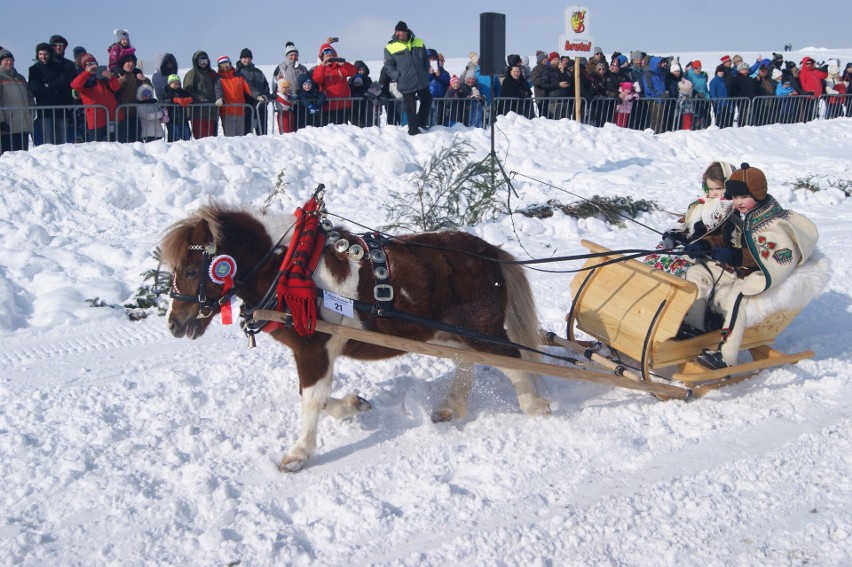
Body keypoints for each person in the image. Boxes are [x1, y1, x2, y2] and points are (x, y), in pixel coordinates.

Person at [682, 164, 819, 369]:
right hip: (734, 270)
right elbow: (723, 237)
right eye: (735, 197)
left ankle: (726, 357)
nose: (738, 202)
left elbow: (771, 256)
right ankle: (695, 329)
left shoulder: (773, 221)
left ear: (758, 193)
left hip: (756, 274)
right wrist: (706, 244)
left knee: (737, 296)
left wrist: (736, 256)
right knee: (696, 271)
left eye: (744, 197)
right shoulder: (737, 214)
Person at [643, 161, 736, 278]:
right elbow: (687, 221)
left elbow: (721, 236)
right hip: (689, 245)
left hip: (707, 253)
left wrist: (703, 244)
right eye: (710, 189)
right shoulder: (703, 204)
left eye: (718, 188)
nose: (713, 193)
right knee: (654, 257)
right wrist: (672, 235)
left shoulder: (729, 208)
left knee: (672, 266)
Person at [383, 21, 432, 135]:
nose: (397, 33)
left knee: (427, 100)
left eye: (400, 31)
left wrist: (425, 71)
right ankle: (413, 130)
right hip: (405, 81)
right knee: (410, 107)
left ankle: (421, 123)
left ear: (406, 31)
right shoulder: (390, 47)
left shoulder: (419, 42)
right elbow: (388, 65)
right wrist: (397, 76)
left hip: (421, 79)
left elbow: (425, 58)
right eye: (396, 31)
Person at [69, 53, 120, 142]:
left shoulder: (102, 77)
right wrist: (87, 73)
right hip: (95, 120)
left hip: (111, 116)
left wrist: (110, 77)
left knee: (114, 145)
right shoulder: (83, 79)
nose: (93, 66)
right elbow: (75, 85)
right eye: (89, 64)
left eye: (94, 63)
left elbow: (116, 87)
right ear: (84, 67)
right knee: (96, 146)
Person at [28, 42, 69, 145]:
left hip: (60, 109)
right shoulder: (34, 69)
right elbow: (34, 87)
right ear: (37, 55)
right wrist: (51, 89)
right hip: (44, 110)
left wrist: (48, 85)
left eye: (45, 54)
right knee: (48, 141)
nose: (43, 57)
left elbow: (63, 82)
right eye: (40, 54)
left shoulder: (59, 67)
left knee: (63, 141)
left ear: (50, 54)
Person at [214, 55, 265, 137]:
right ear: (219, 66)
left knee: (240, 138)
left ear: (230, 63)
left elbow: (249, 88)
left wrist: (258, 95)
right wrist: (219, 98)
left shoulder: (239, 75)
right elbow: (218, 90)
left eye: (227, 63)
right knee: (230, 138)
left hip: (240, 112)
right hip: (227, 112)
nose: (225, 66)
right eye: (222, 65)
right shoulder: (218, 78)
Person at [312, 42, 357, 126]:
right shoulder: (319, 68)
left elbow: (353, 72)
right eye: (326, 52)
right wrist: (323, 66)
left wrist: (344, 64)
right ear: (322, 56)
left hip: (342, 105)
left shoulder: (340, 67)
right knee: (330, 132)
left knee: (343, 130)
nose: (329, 54)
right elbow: (317, 80)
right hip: (328, 105)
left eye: (330, 52)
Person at [0, 49, 35, 154]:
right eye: (6, 60)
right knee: (9, 157)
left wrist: (31, 112)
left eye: (11, 60)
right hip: (7, 125)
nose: (9, 62)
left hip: (22, 124)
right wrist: (1, 121)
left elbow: (29, 96)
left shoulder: (20, 77)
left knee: (23, 156)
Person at [48, 34, 78, 143]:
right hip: (48, 108)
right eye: (55, 45)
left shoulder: (69, 64)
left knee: (64, 143)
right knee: (48, 144)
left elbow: (74, 84)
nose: (58, 47)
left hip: (65, 107)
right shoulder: (46, 64)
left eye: (61, 45)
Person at [183, 50, 218, 139]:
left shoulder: (212, 73)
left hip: (212, 111)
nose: (203, 63)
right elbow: (188, 91)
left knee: (212, 139)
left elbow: (218, 88)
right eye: (200, 61)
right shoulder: (192, 74)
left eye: (205, 61)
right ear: (196, 62)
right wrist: (201, 98)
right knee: (201, 139)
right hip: (198, 112)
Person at [113, 53, 147, 142]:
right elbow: (112, 89)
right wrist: (119, 82)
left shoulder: (137, 74)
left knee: (137, 140)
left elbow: (148, 90)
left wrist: (144, 80)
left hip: (136, 112)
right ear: (123, 63)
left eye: (133, 63)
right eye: (128, 62)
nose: (131, 64)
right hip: (122, 112)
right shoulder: (118, 74)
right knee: (124, 141)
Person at [236, 48, 270, 135]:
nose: (247, 60)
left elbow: (266, 86)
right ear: (241, 58)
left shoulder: (258, 72)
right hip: (247, 107)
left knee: (262, 133)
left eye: (249, 58)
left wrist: (266, 98)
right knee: (247, 134)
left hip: (261, 106)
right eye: (245, 58)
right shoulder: (238, 73)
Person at [161, 73, 192, 141]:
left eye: (178, 83)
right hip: (172, 120)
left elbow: (191, 97)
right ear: (170, 84)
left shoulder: (183, 92)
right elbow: (162, 100)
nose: (176, 85)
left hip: (183, 119)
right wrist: (174, 100)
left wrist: (189, 100)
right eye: (174, 83)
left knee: (187, 137)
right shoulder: (166, 92)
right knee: (174, 138)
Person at [797, 56, 828, 122]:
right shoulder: (802, 72)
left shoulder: (815, 71)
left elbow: (823, 76)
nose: (809, 65)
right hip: (809, 96)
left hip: (816, 95)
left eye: (811, 63)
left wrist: (825, 71)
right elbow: (803, 84)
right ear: (804, 64)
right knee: (808, 111)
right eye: (807, 63)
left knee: (816, 110)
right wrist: (809, 92)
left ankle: (814, 121)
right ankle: (807, 122)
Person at [426, 49, 449, 127]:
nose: (432, 60)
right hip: (430, 97)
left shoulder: (443, 71)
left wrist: (439, 75)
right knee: (431, 116)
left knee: (439, 117)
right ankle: (430, 131)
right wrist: (430, 74)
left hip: (441, 98)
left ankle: (438, 132)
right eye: (430, 58)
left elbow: (447, 80)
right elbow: (423, 81)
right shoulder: (424, 70)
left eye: (434, 58)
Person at [709, 64, 733, 129]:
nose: (721, 73)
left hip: (726, 104)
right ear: (717, 72)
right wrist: (716, 102)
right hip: (719, 105)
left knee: (727, 121)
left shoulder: (725, 80)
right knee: (720, 121)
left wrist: (729, 102)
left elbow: (727, 92)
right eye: (719, 71)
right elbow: (713, 93)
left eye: (722, 71)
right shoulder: (713, 81)